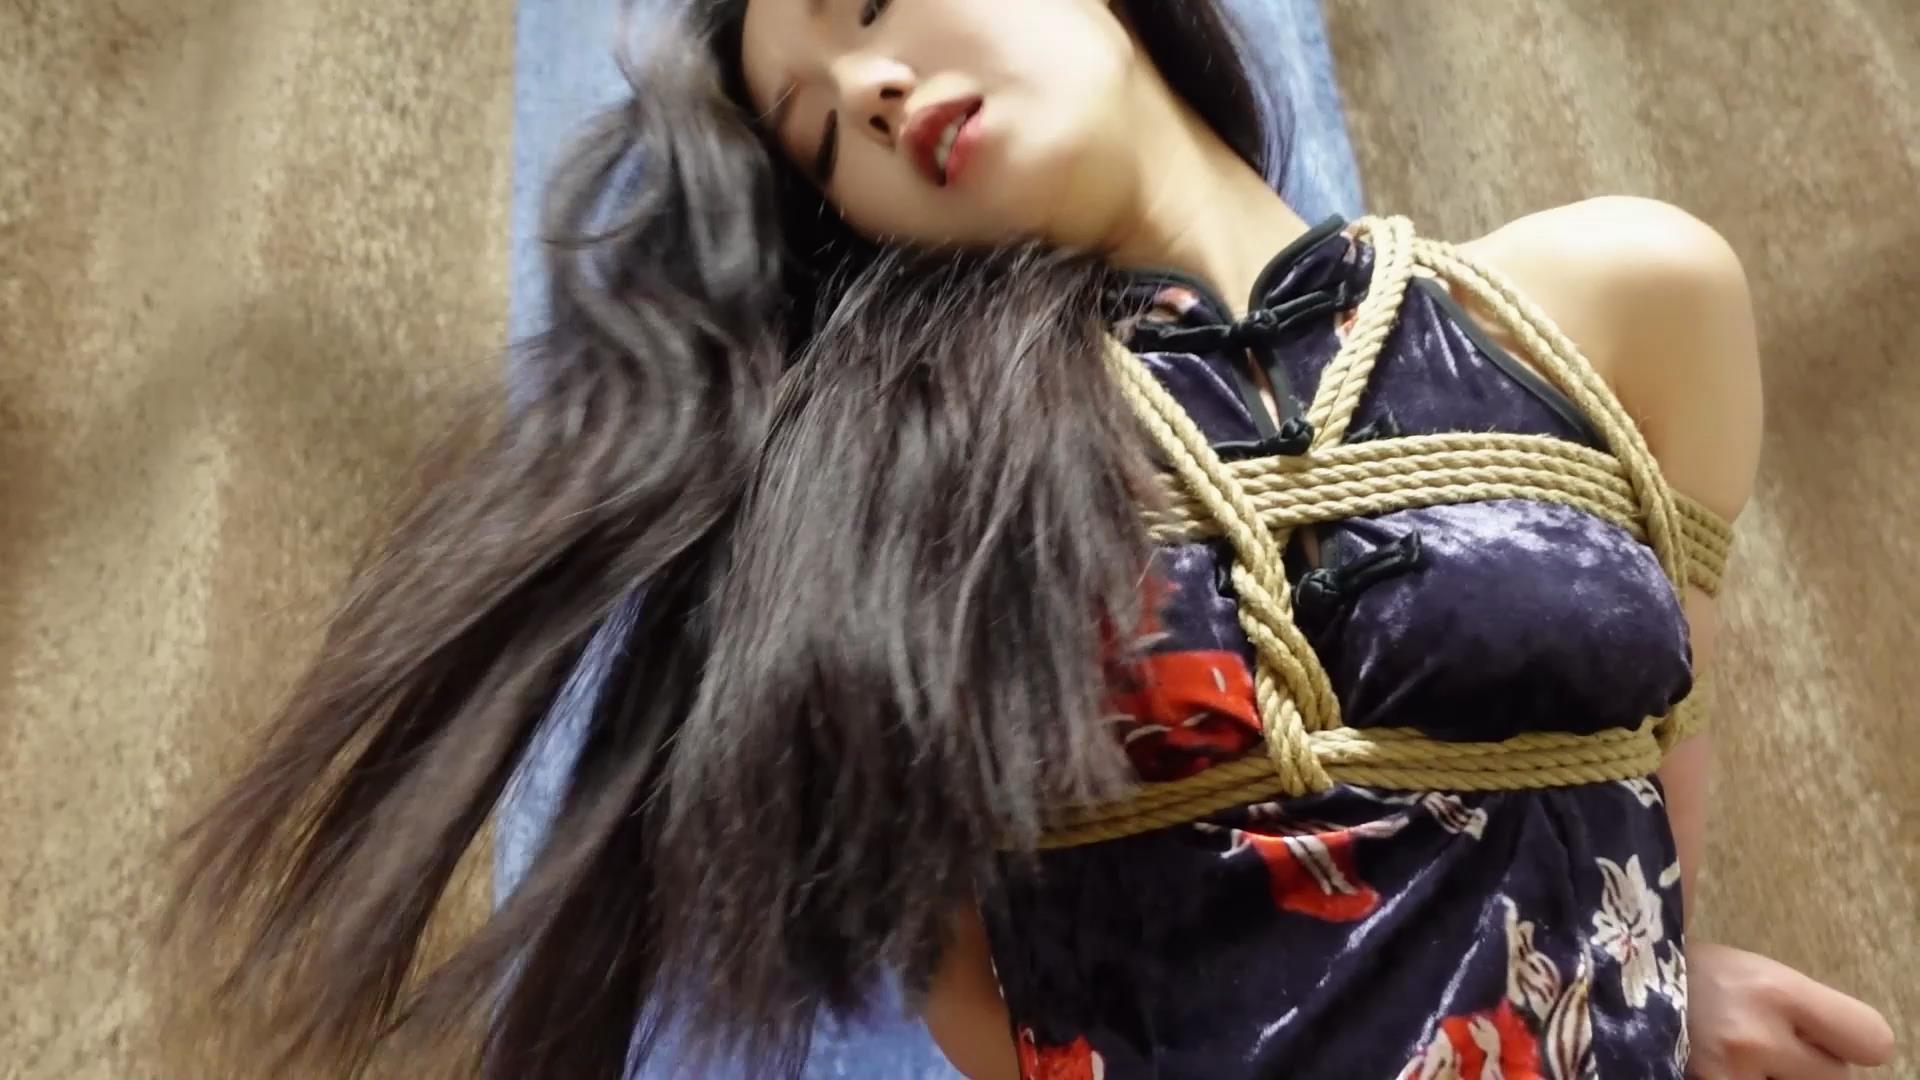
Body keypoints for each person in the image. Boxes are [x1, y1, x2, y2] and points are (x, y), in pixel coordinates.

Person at [167, 1, 1896, 1078]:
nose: (873, 88)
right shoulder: (909, 509)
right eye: (821, 133)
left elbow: (1644, 738)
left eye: (871, 5)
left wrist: (1652, 985)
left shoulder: (1621, 303)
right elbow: (975, 989)